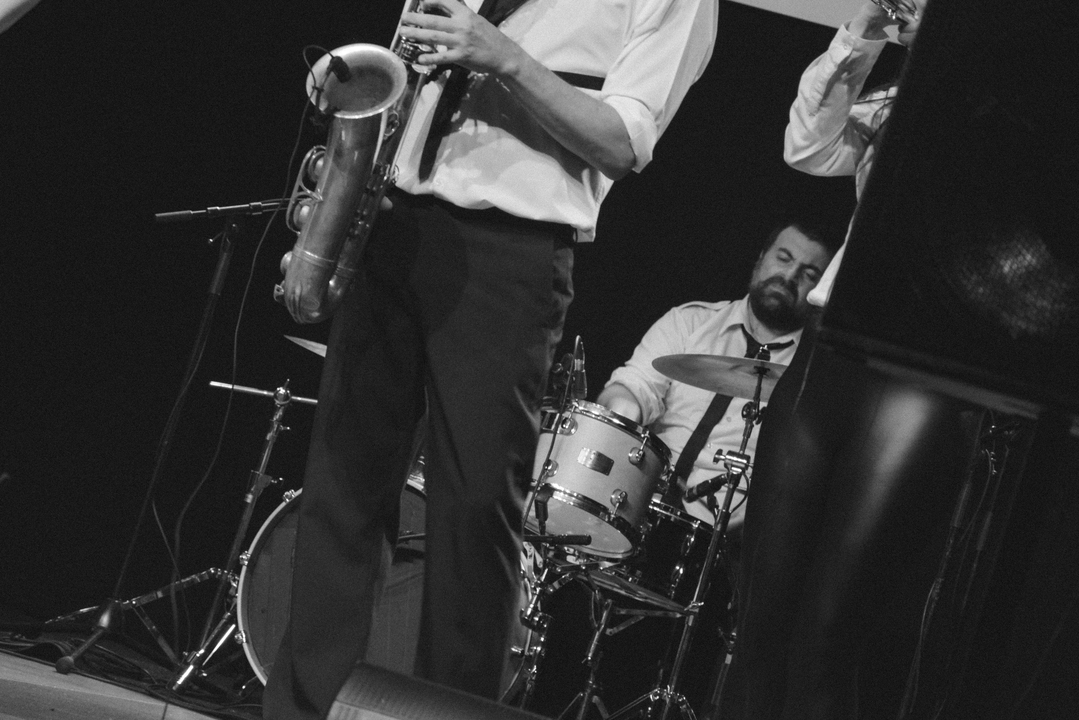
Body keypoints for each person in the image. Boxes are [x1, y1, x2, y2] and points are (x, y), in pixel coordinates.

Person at [264, 2, 717, 719]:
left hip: (510, 254)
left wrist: (502, 55)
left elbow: (622, 142)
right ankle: (301, 710)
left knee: (472, 515)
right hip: (394, 221)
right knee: (340, 487)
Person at [723, 3, 986, 718]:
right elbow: (807, 147)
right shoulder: (899, 91)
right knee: (759, 620)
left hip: (920, 365)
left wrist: (946, 52)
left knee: (829, 633)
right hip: (830, 341)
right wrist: (864, 34)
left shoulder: (1003, 99)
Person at [597, 221, 836, 532]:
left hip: (723, 538)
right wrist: (622, 418)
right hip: (635, 505)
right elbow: (634, 387)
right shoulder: (688, 322)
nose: (789, 277)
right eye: (784, 258)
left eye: (809, 275)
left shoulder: (814, 374)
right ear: (760, 258)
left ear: (820, 294)